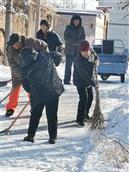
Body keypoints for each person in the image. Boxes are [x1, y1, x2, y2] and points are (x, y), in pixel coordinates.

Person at [18, 48, 64, 144]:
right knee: (50, 115)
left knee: (36, 114)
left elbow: (26, 85)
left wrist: (31, 90)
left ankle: (31, 136)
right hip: (51, 90)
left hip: (43, 93)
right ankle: (52, 137)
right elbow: (58, 56)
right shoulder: (44, 55)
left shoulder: (24, 67)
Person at [5, 33, 48, 117]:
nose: (13, 46)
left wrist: (43, 58)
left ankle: (34, 107)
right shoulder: (10, 49)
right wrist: (22, 75)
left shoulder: (31, 42)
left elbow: (44, 45)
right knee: (15, 86)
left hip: (32, 68)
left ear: (19, 42)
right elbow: (13, 65)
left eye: (15, 44)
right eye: (12, 44)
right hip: (18, 70)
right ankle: (10, 107)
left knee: (31, 88)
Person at [73, 40, 98, 127]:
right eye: (82, 52)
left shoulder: (91, 54)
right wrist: (92, 82)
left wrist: (96, 61)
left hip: (88, 79)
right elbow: (83, 74)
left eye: (86, 51)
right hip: (79, 80)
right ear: (80, 51)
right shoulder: (78, 59)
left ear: (88, 50)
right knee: (84, 98)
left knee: (90, 97)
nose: (84, 53)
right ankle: (79, 119)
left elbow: (96, 57)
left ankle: (85, 114)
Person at [64, 15, 85, 84]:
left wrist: (77, 43)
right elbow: (66, 38)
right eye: (75, 20)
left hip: (78, 51)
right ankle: (66, 80)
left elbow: (83, 38)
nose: (76, 22)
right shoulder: (68, 27)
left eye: (77, 21)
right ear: (72, 21)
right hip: (69, 50)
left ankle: (76, 80)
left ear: (79, 21)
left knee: (77, 67)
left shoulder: (81, 28)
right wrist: (73, 43)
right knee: (68, 67)